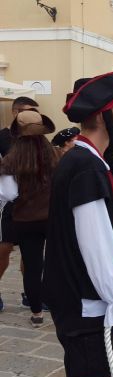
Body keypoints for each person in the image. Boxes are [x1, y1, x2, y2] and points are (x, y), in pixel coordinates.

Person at [42, 68, 113, 377]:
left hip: (77, 293)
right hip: (83, 298)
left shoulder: (81, 161)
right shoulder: (86, 166)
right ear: (105, 116)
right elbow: (96, 244)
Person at [0, 110, 58, 327]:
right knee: (55, 262)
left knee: (33, 266)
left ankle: (36, 312)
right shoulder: (54, 154)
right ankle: (56, 301)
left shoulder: (11, 159)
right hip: (52, 217)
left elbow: (8, 194)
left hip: (25, 220)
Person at [0, 96, 39, 311]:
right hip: (8, 204)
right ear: (16, 113)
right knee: (4, 249)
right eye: (29, 111)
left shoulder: (35, 139)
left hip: (33, 204)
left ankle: (30, 293)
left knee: (30, 253)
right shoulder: (2, 138)